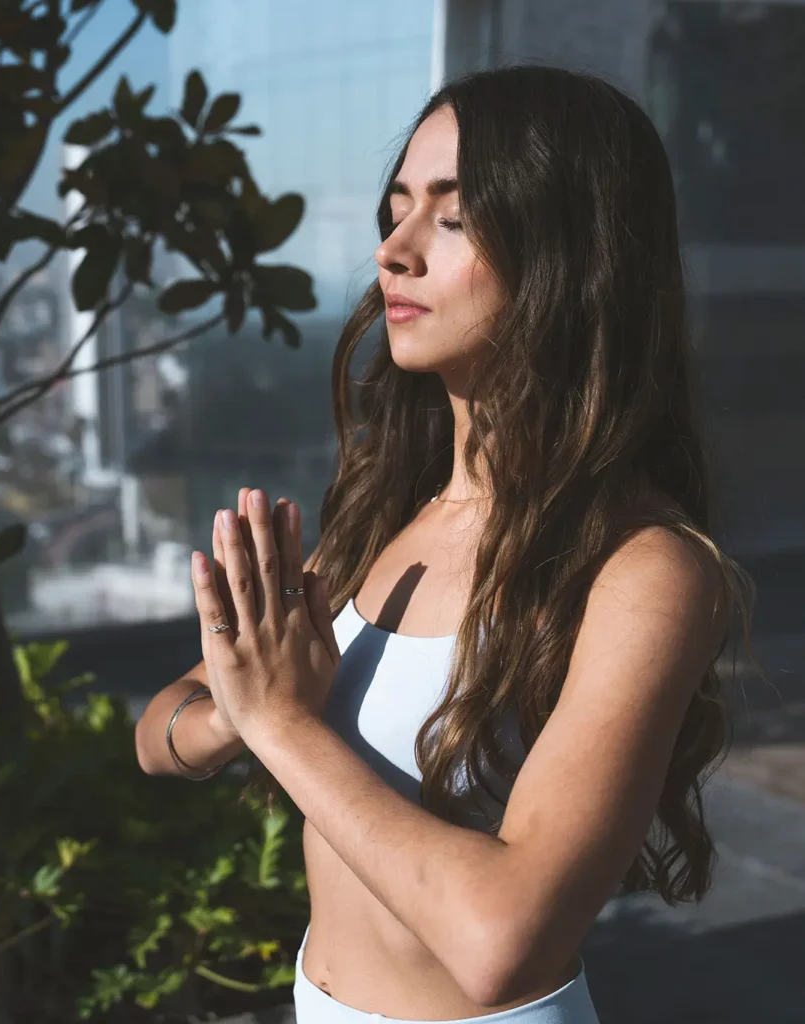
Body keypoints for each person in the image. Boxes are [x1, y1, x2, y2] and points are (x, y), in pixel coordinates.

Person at [135, 64, 762, 1023]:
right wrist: (233, 714)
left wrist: (282, 725)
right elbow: (160, 730)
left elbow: (501, 943)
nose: (394, 250)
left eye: (454, 217)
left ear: (572, 256)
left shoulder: (642, 571)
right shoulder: (384, 518)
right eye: (396, 210)